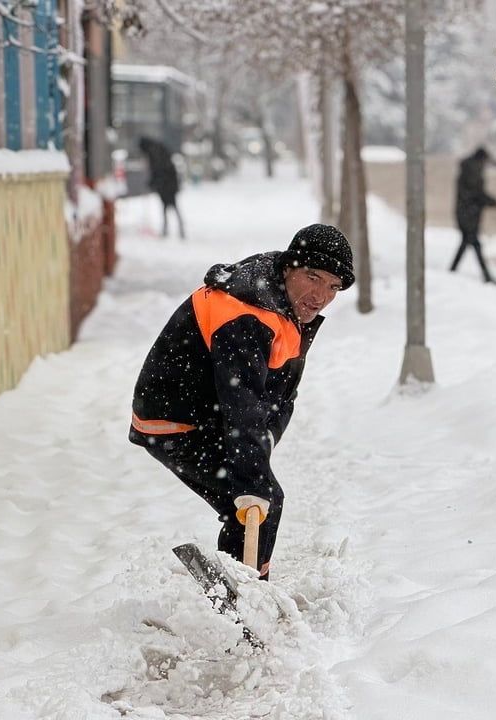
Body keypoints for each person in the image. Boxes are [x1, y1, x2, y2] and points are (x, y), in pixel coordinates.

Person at [129, 224, 354, 580]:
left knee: (257, 500)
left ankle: (238, 586)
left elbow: (281, 398)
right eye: (313, 277)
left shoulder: (283, 310)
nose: (321, 295)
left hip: (206, 415)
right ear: (289, 267)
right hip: (175, 420)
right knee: (260, 500)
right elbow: (242, 402)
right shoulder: (247, 313)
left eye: (333, 286)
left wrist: (260, 448)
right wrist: (251, 474)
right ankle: (245, 591)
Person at [451, 146, 496, 283]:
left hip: (468, 213)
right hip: (468, 214)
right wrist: (493, 202)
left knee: (466, 242)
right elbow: (476, 193)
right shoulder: (472, 171)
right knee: (474, 243)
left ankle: (453, 270)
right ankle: (486, 275)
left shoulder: (469, 169)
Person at [138, 136, 185, 239]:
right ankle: (172, 229)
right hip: (168, 184)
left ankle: (170, 229)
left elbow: (158, 170)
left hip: (166, 185)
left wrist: (152, 182)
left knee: (170, 207)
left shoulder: (153, 152)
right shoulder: (158, 148)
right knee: (170, 207)